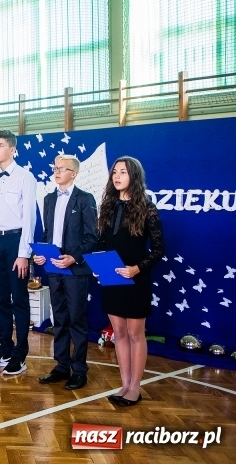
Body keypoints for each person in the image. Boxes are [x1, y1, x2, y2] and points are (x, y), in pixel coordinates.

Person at [98, 156, 164, 407]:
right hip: (111, 279)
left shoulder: (147, 208)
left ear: (133, 177)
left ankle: (135, 387)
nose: (117, 176)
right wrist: (98, 267)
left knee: (136, 334)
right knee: (119, 333)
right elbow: (102, 244)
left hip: (136, 280)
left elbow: (158, 250)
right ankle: (124, 384)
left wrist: (136, 269)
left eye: (122, 172)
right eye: (115, 172)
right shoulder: (108, 207)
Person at [32, 155, 98, 390]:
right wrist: (39, 253)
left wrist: (74, 257)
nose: (56, 171)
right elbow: (47, 233)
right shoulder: (49, 199)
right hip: (53, 267)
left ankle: (79, 370)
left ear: (74, 173)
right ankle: (61, 366)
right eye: (55, 167)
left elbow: (93, 237)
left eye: (62, 168)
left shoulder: (85, 199)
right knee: (58, 319)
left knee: (77, 321)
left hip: (76, 269)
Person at [0, 130, 37, 375]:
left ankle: (19, 355)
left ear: (12, 149)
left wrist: (24, 253)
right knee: (0, 299)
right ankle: (4, 348)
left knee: (19, 300)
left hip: (15, 243)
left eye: (0, 145)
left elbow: (29, 219)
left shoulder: (26, 177)